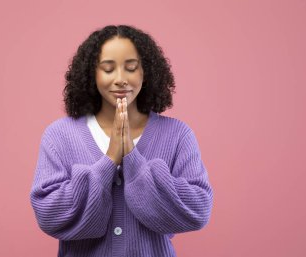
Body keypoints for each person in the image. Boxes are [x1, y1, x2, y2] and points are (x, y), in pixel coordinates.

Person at [29, 24, 214, 257]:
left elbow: (197, 210)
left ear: (146, 72)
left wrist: (133, 159)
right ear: (91, 74)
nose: (120, 79)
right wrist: (109, 160)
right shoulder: (59, 136)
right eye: (108, 69)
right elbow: (49, 215)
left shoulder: (177, 135)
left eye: (131, 68)